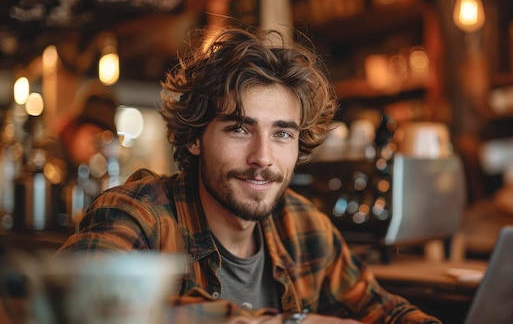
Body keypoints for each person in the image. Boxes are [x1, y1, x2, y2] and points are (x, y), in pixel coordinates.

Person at [56, 26, 442, 324]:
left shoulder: (304, 226)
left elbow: (384, 310)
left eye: (282, 133)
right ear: (195, 139)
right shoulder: (139, 214)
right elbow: (70, 306)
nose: (263, 157)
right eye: (239, 128)